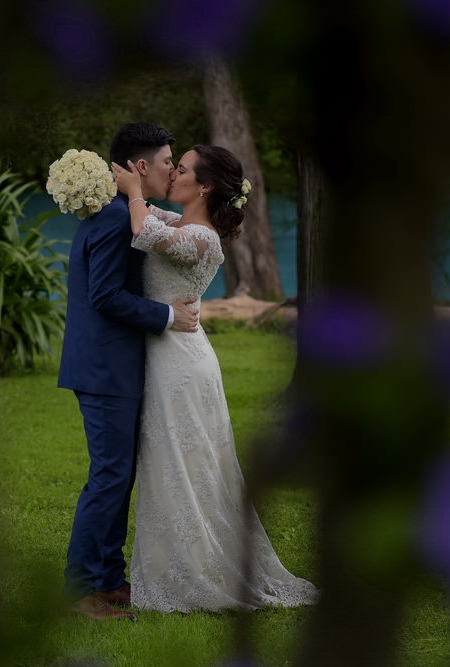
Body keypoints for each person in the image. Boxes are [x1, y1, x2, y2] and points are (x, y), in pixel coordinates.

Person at [111, 145, 319, 612]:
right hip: (172, 355)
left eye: (180, 169)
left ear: (203, 186)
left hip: (181, 365)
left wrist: (132, 194)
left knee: (185, 465)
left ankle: (194, 573)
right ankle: (178, 563)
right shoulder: (181, 222)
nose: (173, 173)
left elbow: (142, 229)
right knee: (175, 464)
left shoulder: (203, 238)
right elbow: (152, 216)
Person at [58, 122, 201, 620]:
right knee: (109, 476)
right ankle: (79, 591)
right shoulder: (116, 219)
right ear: (140, 167)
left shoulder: (123, 212)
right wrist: (168, 316)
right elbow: (105, 295)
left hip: (111, 366)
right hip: (105, 369)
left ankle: (110, 581)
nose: (171, 169)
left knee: (118, 476)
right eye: (166, 161)